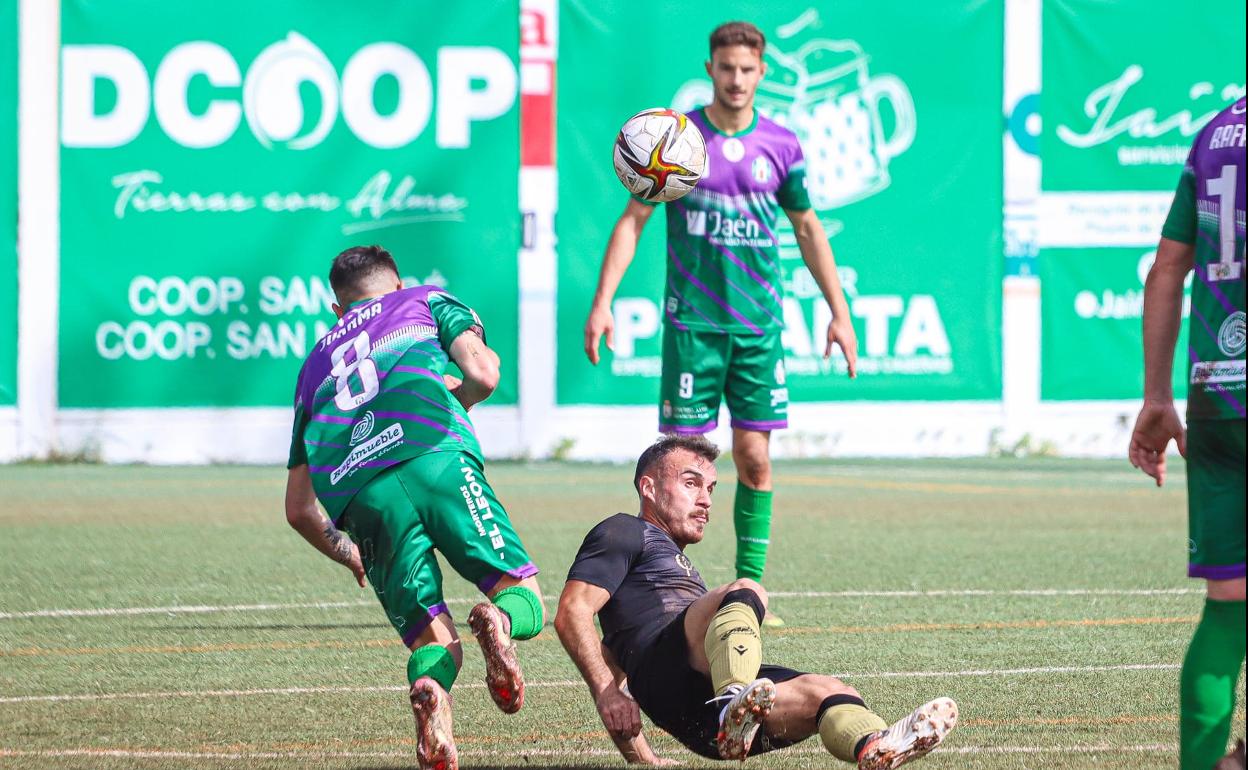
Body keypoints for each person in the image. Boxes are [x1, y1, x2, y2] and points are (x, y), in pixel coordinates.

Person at [583, 21, 859, 626]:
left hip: (758, 328)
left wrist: (839, 312)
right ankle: (668, 587)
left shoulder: (781, 145)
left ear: (762, 73)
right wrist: (603, 301)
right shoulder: (678, 140)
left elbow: (809, 228)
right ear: (710, 68)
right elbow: (634, 221)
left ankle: (750, 591)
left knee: (753, 458)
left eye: (747, 69)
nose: (736, 79)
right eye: (726, 68)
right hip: (692, 329)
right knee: (682, 465)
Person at [284, 245, 545, 770]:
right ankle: (498, 619)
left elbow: (297, 507)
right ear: (398, 284)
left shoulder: (313, 366)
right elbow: (484, 373)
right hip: (435, 457)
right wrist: (459, 398)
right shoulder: (425, 301)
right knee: (526, 599)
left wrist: (348, 552)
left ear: (337, 311)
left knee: (431, 638)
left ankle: (432, 693)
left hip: (361, 495)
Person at [555, 435, 957, 767]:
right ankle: (733, 701)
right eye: (691, 483)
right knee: (745, 589)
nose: (706, 500)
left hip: (699, 717)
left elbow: (612, 653)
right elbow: (573, 612)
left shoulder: (676, 569)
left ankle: (872, 744)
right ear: (649, 488)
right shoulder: (624, 530)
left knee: (827, 691)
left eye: (710, 489)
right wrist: (610, 693)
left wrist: (644, 759)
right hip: (679, 672)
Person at [1129, 96, 1245, 770]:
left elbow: (1167, 268)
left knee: (1229, 608)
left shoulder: (1215, 133)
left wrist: (1155, 396)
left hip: (1217, 398)